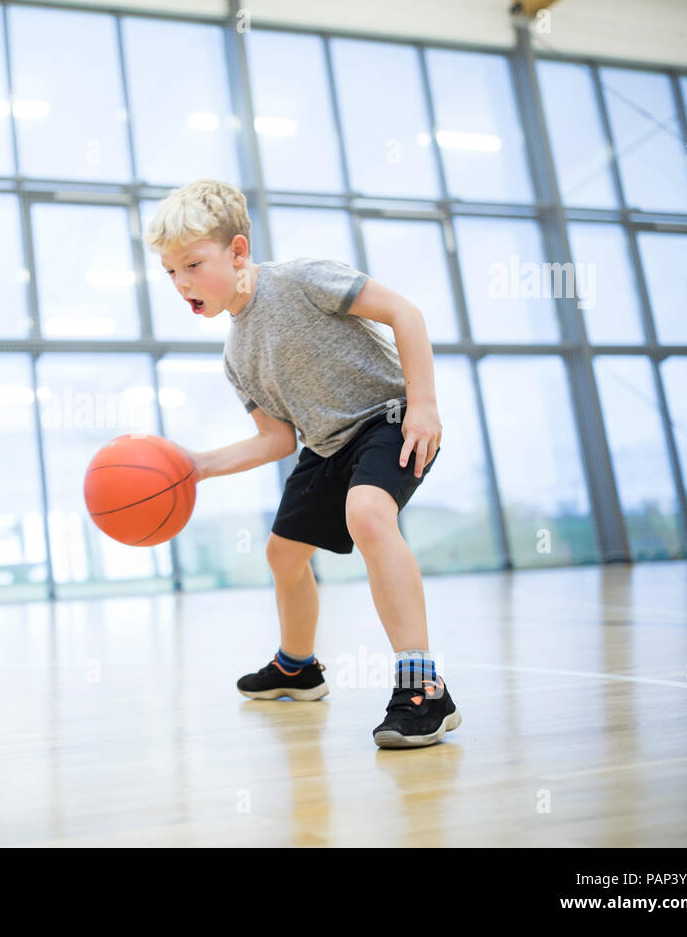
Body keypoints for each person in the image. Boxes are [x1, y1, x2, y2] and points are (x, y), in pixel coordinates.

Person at [145, 180, 459, 748]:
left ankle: (424, 688)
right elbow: (276, 440)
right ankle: (298, 667)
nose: (182, 282)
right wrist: (197, 465)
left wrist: (424, 404)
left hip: (388, 418)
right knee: (282, 553)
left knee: (367, 514)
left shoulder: (301, 279)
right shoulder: (236, 355)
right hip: (325, 443)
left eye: (192, 264)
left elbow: (404, 313)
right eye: (170, 272)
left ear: (237, 251)